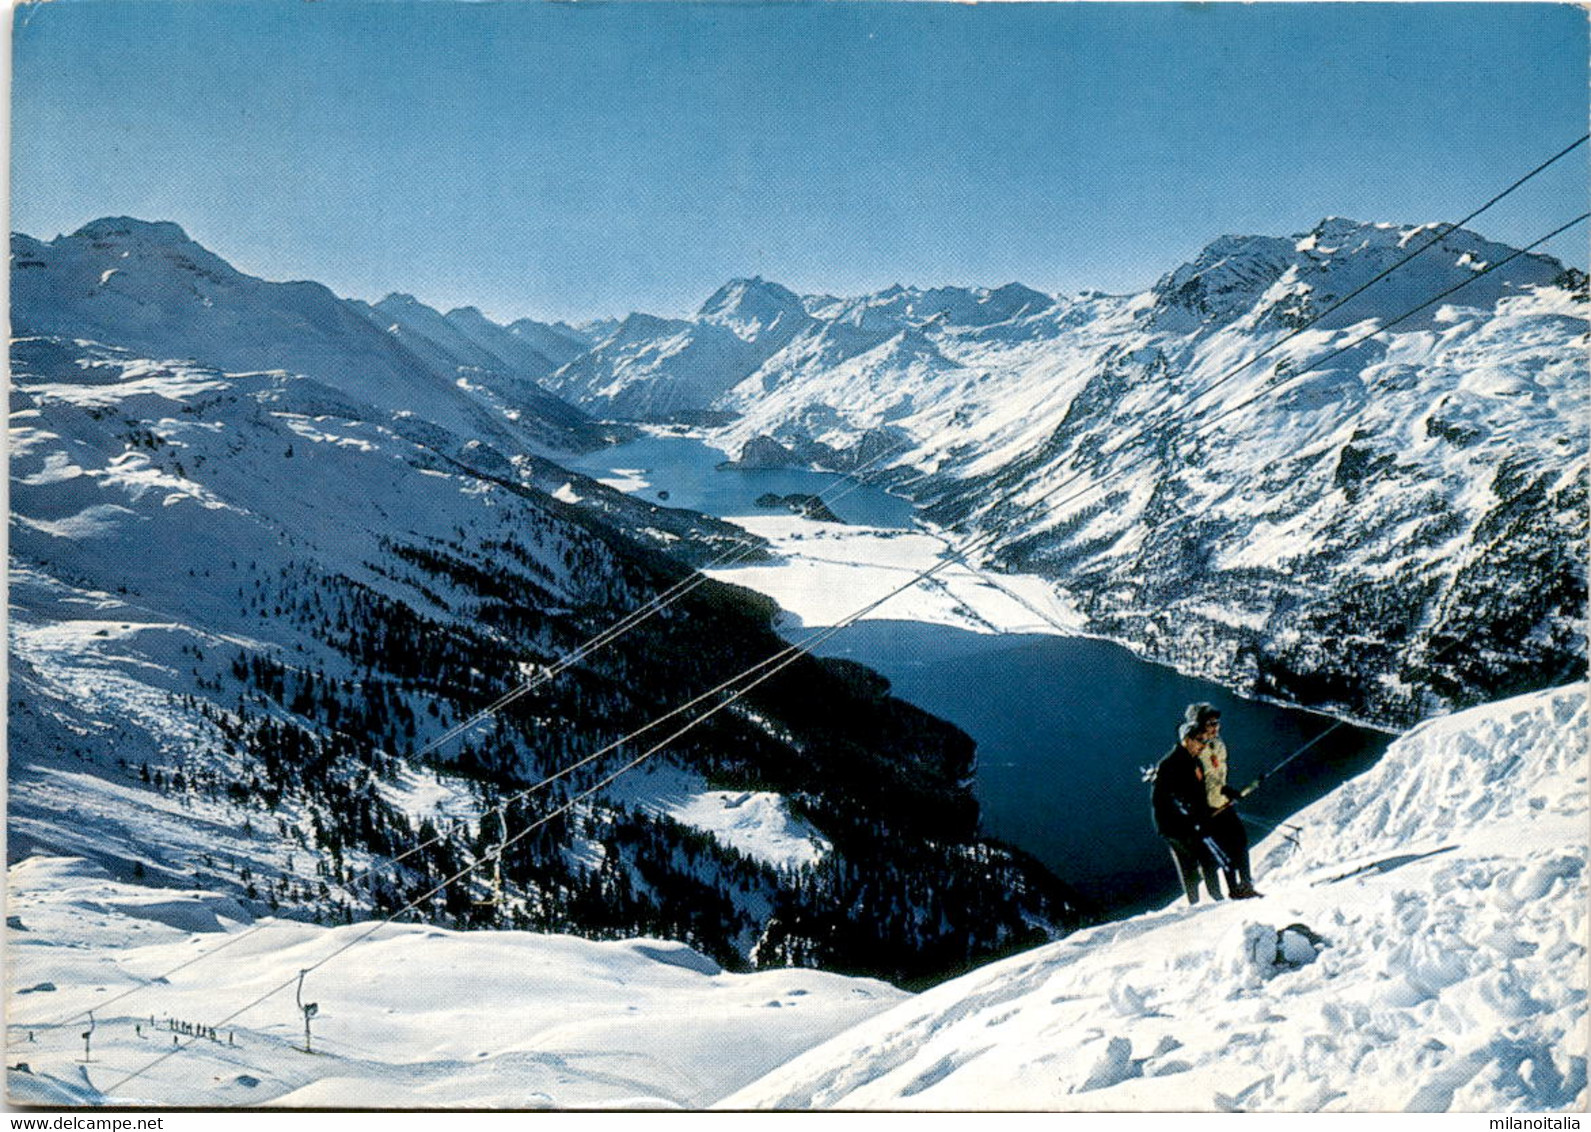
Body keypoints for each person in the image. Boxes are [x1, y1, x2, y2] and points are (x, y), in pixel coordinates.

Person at [1184, 703, 1260, 899]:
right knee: (1227, 849)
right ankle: (1235, 890)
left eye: (1217, 722)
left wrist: (1225, 790)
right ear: (1199, 724)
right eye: (1211, 723)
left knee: (1240, 841)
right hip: (1207, 810)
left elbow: (1217, 775)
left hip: (1221, 802)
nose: (1216, 727)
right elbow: (1196, 782)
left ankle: (1245, 885)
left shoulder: (1217, 744)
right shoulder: (1193, 749)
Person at [1150, 721, 1226, 905]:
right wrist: (1186, 815)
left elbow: (1197, 793)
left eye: (1206, 740)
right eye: (1200, 740)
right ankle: (1209, 900)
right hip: (1174, 826)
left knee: (1200, 860)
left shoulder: (1194, 761)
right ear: (1187, 740)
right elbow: (1159, 800)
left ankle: (1208, 900)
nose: (1203, 744)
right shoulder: (1169, 764)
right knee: (1198, 860)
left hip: (1190, 821)